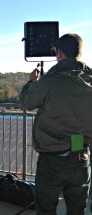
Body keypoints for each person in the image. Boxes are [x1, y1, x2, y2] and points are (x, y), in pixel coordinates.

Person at [19, 33, 92, 214]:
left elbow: (27, 103)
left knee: (45, 209)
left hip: (53, 158)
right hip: (80, 153)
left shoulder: (51, 81)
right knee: (77, 210)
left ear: (59, 54)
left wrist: (31, 82)